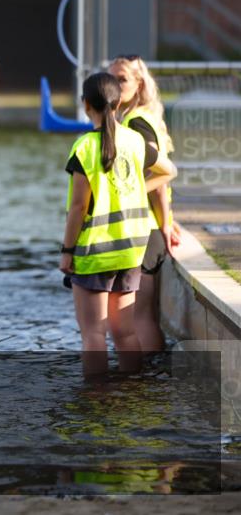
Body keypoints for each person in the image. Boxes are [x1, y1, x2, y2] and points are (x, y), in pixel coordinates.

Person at [60, 73, 177, 379]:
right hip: (131, 250)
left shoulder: (84, 147)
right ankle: (132, 392)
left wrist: (66, 252)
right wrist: (139, 186)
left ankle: (96, 398)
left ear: (86, 105)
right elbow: (169, 170)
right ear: (117, 102)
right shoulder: (135, 141)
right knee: (125, 332)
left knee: (94, 335)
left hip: (94, 251)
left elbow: (78, 207)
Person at [109, 55, 178, 354]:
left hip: (145, 229)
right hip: (148, 225)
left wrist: (163, 224)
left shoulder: (137, 122)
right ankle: (147, 382)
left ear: (139, 84)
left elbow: (159, 177)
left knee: (141, 316)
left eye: (122, 79)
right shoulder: (139, 118)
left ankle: (146, 383)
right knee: (141, 316)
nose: (115, 85)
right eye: (111, 78)